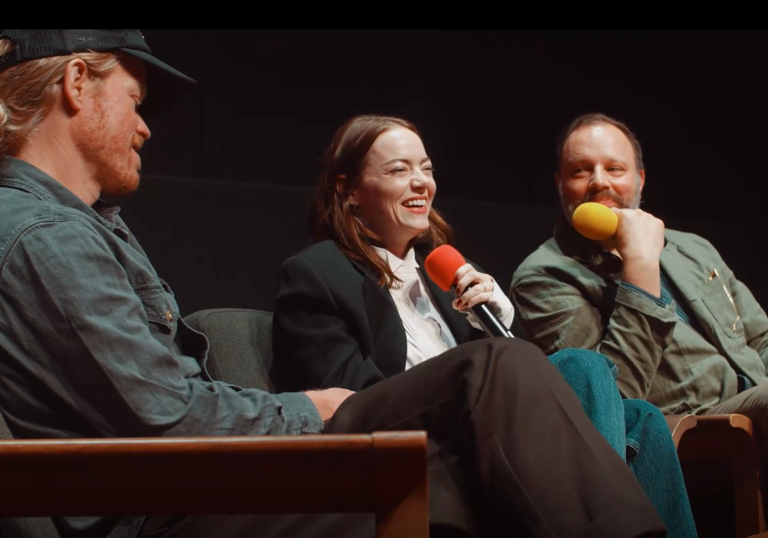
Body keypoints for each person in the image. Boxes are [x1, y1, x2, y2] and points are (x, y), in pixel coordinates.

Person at [0, 30, 666, 538]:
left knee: (482, 433)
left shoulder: (82, 227)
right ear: (77, 83)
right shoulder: (44, 238)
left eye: (425, 167)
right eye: (135, 102)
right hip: (156, 505)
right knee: (492, 378)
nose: (145, 127)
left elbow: (164, 399)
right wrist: (308, 409)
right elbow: (167, 418)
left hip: (178, 480)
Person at [271, 114, 695, 537]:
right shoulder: (317, 273)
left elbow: (521, 384)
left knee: (641, 419)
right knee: (582, 367)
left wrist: (499, 322)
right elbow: (348, 404)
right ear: (349, 191)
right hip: (420, 450)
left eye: (426, 169)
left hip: (488, 433)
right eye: (399, 170)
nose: (421, 182)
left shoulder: (445, 275)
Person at [511, 111, 768, 516]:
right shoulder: (544, 276)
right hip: (682, 425)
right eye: (580, 170)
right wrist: (641, 268)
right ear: (560, 185)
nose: (600, 181)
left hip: (755, 400)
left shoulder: (691, 248)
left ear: (640, 180)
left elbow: (759, 338)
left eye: (615, 168)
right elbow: (610, 404)